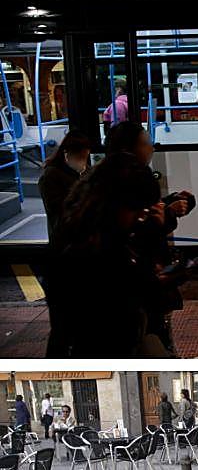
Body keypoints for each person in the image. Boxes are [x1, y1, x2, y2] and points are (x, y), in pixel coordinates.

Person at [44, 152, 165, 356]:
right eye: (137, 209)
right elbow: (128, 304)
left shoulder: (83, 231)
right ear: (114, 204)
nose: (141, 216)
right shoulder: (90, 252)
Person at [104, 121, 195, 355]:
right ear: (129, 149)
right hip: (137, 301)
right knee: (153, 337)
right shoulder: (123, 184)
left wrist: (169, 206)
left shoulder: (115, 178)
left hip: (145, 287)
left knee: (158, 334)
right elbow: (139, 233)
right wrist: (166, 214)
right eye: (146, 143)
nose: (152, 148)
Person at [39, 130, 92, 241]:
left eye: (85, 157)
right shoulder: (50, 176)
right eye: (79, 157)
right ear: (67, 154)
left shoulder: (86, 171)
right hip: (65, 236)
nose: (83, 162)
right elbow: (58, 209)